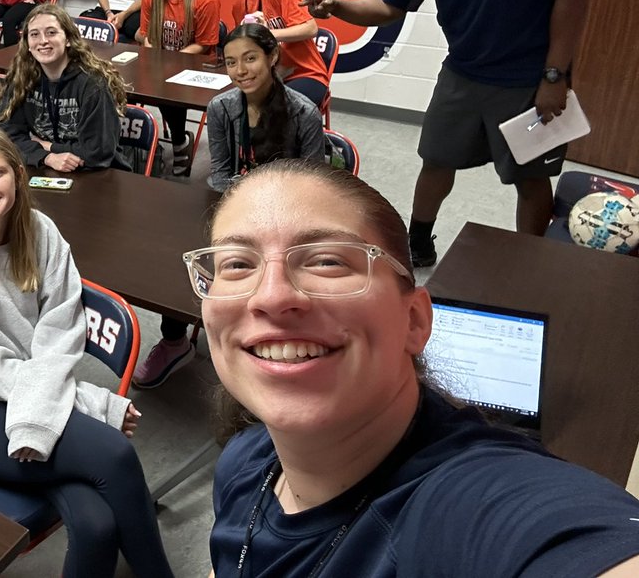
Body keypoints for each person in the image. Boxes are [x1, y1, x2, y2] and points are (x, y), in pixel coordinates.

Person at [195, 158, 639, 577]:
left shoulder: (475, 505)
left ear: (415, 320)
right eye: (236, 265)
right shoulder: (245, 461)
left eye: (327, 260)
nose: (271, 296)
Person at [303, 0, 594, 266]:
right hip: (463, 72)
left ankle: (530, 262)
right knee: (436, 159)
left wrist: (555, 75)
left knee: (530, 176)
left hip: (529, 79)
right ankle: (417, 240)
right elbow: (388, 5)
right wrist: (338, 5)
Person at [0, 124, 175, 578]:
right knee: (114, 455)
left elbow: (62, 328)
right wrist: (86, 401)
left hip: (31, 396)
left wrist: (60, 397)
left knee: (97, 523)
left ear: (17, 173)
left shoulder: (40, 231)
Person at [133, 24, 327, 390]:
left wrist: (263, 206)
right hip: (237, 209)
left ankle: (261, 344)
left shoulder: (304, 114)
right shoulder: (222, 107)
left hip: (288, 216)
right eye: (232, 62)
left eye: (250, 58)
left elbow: (311, 186)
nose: (241, 70)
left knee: (267, 275)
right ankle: (175, 340)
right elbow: (220, 174)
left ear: (272, 58)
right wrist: (247, 206)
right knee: (185, 253)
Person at [0, 4, 130, 172]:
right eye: (34, 34)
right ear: (28, 44)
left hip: (97, 174)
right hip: (46, 168)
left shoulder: (92, 84)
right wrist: (47, 157)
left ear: (68, 39)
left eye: (51, 32)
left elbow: (97, 153)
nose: (43, 41)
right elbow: (6, 136)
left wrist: (47, 146)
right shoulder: (22, 77)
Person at [137, 0, 220, 176]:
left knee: (168, 89)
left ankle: (179, 141)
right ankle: (138, 147)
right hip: (161, 60)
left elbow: (204, 45)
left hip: (196, 64)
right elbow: (146, 35)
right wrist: (156, 57)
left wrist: (169, 63)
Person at [231, 0, 330, 107]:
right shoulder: (239, 5)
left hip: (305, 74)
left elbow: (310, 28)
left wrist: (267, 33)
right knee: (229, 105)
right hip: (267, 78)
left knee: (271, 110)